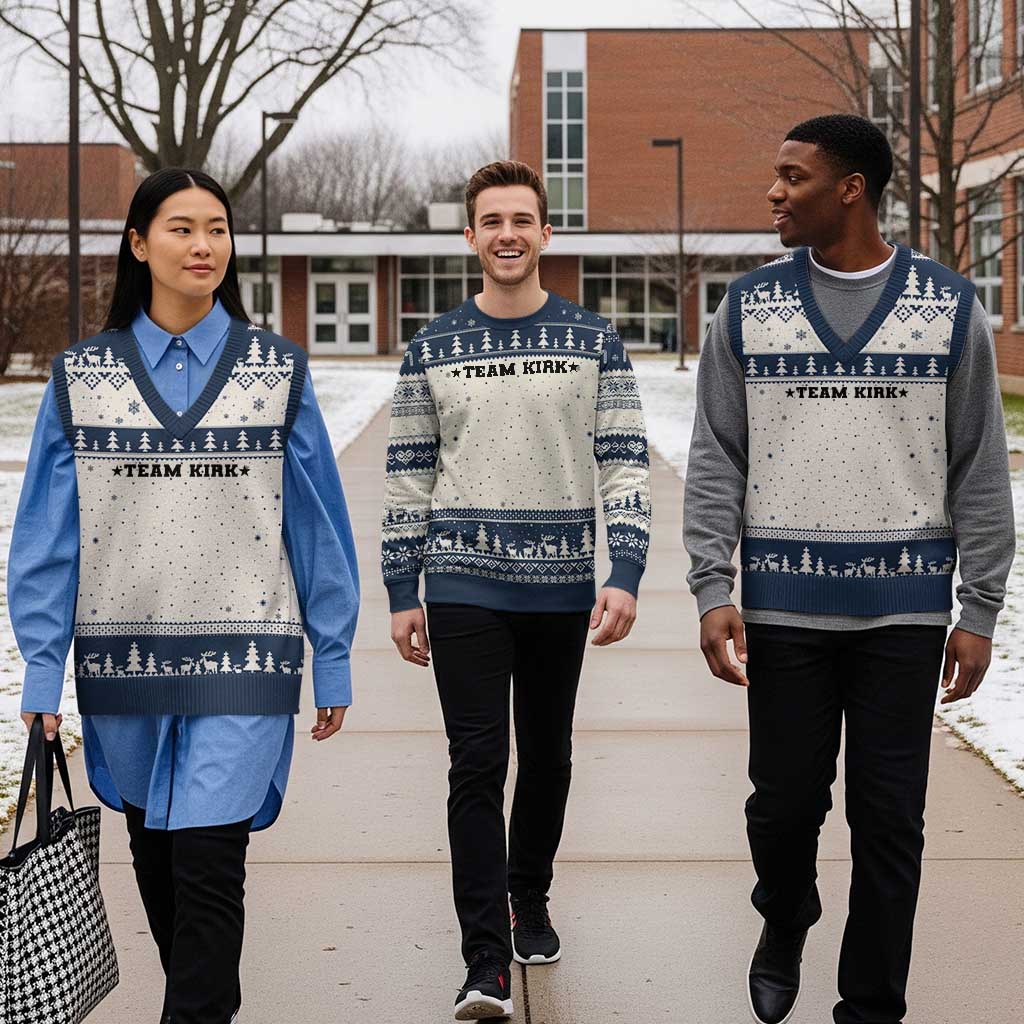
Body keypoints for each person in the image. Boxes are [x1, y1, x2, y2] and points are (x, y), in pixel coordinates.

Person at [684, 113, 1015, 1024]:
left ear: (851, 189)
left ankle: (871, 1005)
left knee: (889, 824)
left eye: (792, 176)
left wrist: (980, 607)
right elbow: (717, 454)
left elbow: (979, 465)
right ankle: (784, 914)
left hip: (905, 619)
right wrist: (713, 585)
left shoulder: (948, 307)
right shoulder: (749, 306)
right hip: (785, 611)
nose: (774, 192)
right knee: (782, 810)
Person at [10, 167, 359, 1024]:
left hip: (247, 658)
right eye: (181, 228)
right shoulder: (80, 378)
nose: (204, 246)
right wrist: (43, 675)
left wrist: (334, 655)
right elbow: (47, 542)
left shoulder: (277, 372)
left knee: (209, 864)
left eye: (217, 229)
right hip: (121, 663)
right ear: (138, 243)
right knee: (159, 863)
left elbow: (317, 526)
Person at [381, 160, 651, 1021]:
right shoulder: (431, 348)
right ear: (470, 236)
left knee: (548, 752)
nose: (507, 234)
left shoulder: (593, 340)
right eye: (491, 220)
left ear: (545, 232)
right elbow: (407, 478)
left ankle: (527, 895)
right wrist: (401, 586)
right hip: (461, 582)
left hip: (562, 585)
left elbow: (624, 461)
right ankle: (484, 961)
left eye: (522, 220)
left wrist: (628, 569)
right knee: (476, 761)